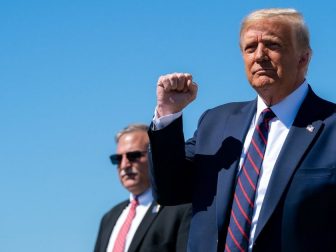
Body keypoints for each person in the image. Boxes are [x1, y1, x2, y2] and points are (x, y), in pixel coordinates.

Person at [148, 8, 336, 252]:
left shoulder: (330, 125)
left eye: (272, 45)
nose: (259, 56)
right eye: (250, 48)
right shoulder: (216, 122)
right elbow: (169, 190)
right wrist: (168, 114)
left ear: (303, 58)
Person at [94, 124, 192, 252]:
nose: (124, 165)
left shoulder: (180, 208)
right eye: (117, 159)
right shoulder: (109, 218)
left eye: (133, 156)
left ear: (155, 156)